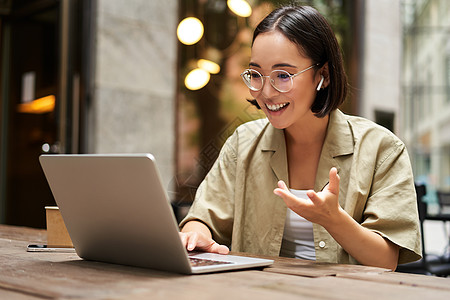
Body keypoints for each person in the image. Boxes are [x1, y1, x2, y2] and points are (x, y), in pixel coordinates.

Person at [179, 4, 421, 270]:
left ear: (323, 76)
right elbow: (202, 218)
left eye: (283, 75)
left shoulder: (382, 149)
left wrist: (333, 219)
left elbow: (386, 261)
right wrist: (195, 235)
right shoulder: (242, 142)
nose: (267, 92)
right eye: (256, 74)